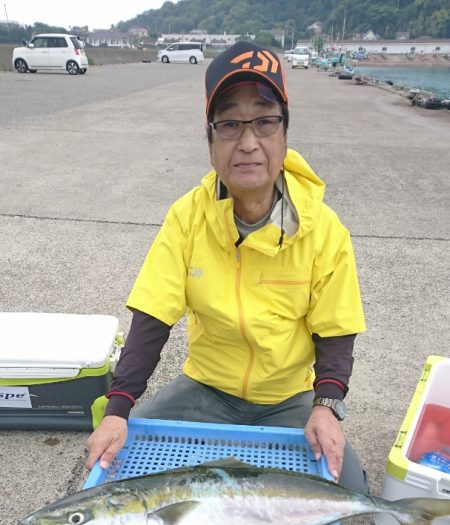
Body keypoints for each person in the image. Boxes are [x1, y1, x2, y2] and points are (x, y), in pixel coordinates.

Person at [86, 41, 367, 491]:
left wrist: (326, 406)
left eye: (264, 121)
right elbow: (152, 316)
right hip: (205, 388)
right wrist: (118, 408)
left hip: (287, 396)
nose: (249, 143)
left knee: (348, 487)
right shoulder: (187, 217)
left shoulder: (324, 229)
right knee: (122, 463)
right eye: (231, 124)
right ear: (211, 142)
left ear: (284, 135)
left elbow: (337, 330)